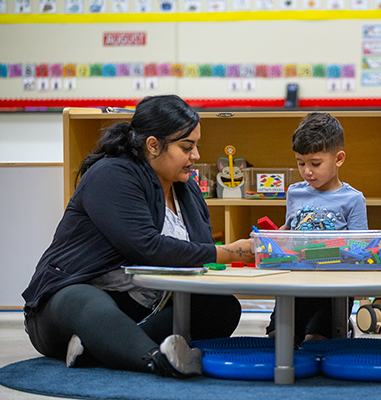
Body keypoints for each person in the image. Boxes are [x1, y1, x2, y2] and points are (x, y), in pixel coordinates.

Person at [22, 95, 254, 378]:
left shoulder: (187, 188)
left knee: (222, 306)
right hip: (66, 305)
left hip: (141, 307)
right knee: (85, 298)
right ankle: (157, 360)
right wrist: (231, 252)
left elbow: (198, 252)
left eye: (196, 146)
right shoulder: (112, 174)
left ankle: (101, 347)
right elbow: (147, 247)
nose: (195, 156)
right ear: (153, 145)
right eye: (186, 147)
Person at [266, 112, 368, 344]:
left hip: (333, 288)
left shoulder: (353, 199)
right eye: (300, 163)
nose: (307, 171)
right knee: (278, 339)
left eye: (315, 164)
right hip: (296, 285)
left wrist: (318, 251)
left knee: (315, 340)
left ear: (338, 159)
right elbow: (292, 229)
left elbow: (359, 248)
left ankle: (342, 326)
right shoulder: (294, 192)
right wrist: (278, 237)